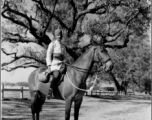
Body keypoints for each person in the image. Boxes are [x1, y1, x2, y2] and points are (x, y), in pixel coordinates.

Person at [46, 29, 68, 99]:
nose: (59, 36)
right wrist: (49, 66)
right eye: (58, 35)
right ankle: (50, 91)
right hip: (54, 65)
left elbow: (65, 56)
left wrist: (65, 60)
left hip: (62, 65)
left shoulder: (63, 46)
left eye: (60, 35)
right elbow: (48, 55)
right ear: (55, 36)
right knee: (57, 75)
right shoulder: (52, 44)